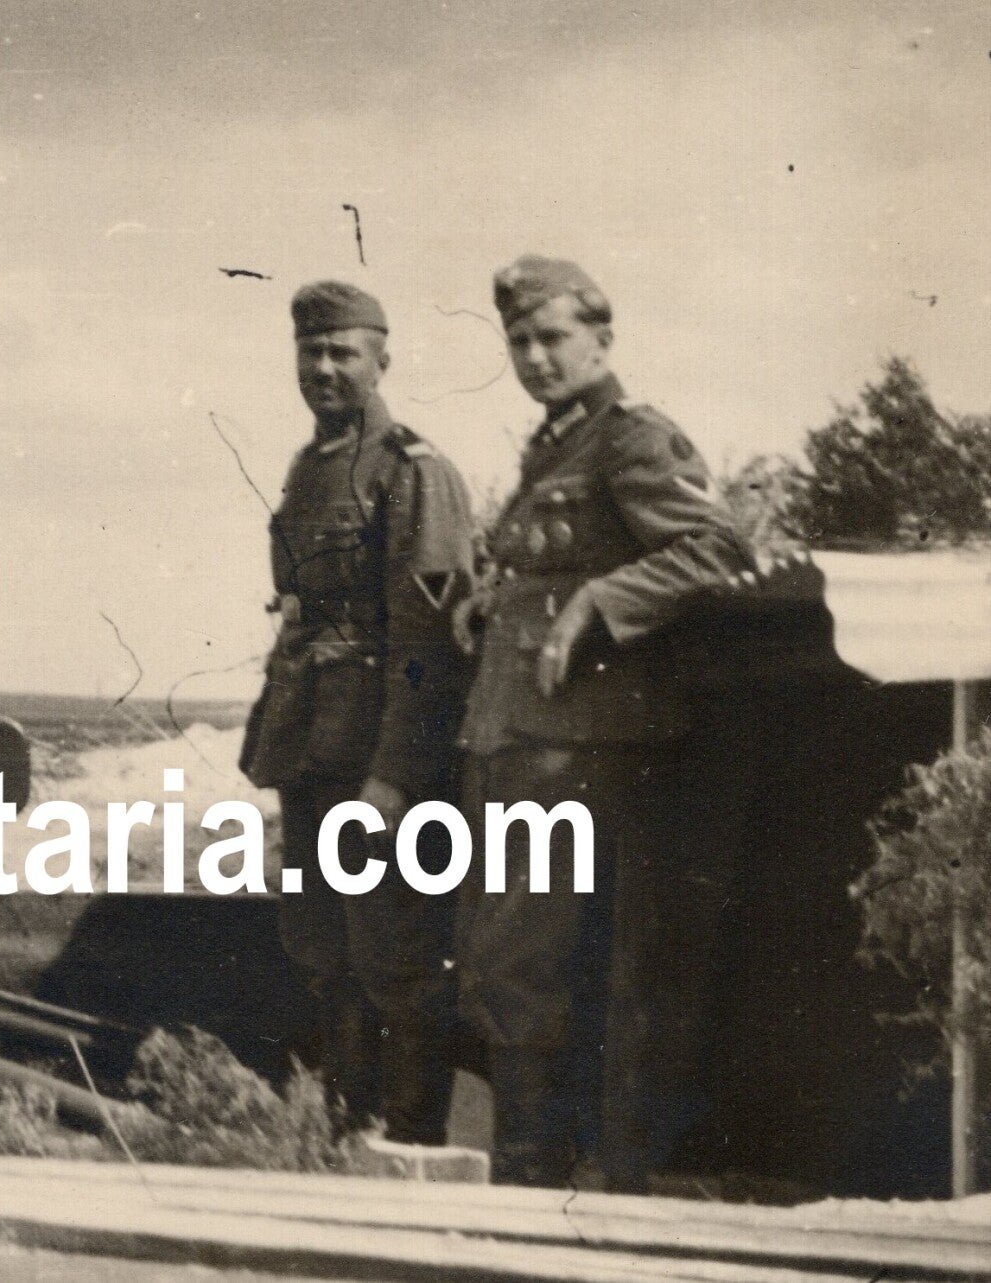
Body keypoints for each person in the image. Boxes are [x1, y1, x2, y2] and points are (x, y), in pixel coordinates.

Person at [453, 255, 752, 1190]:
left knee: (524, 960)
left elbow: (715, 546)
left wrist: (595, 602)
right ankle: (536, 1169)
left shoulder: (631, 438)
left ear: (601, 339)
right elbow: (548, 568)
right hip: (521, 740)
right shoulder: (553, 447)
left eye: (552, 337)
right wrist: (494, 603)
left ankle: (535, 1176)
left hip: (577, 750)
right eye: (519, 341)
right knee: (508, 955)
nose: (535, 357)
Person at [239, 280, 475, 1145]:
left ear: (382, 361)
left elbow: (429, 643)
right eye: (311, 351)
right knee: (322, 953)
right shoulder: (309, 469)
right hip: (310, 750)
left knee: (395, 958)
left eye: (343, 351)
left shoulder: (412, 471)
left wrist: (395, 776)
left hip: (378, 763)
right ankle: (346, 1137)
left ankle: (408, 1147)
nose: (324, 367)